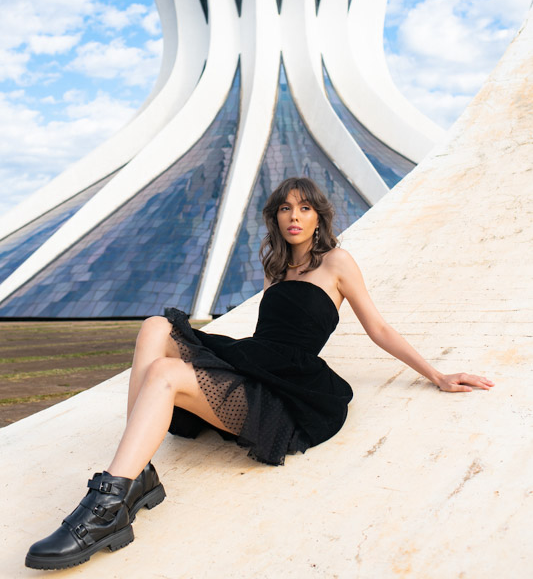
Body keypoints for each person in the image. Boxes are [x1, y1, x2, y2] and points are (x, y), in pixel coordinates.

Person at [25, 176, 493, 570]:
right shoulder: (275, 268)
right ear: (276, 218)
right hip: (255, 363)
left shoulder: (337, 263)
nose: (295, 215)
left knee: (165, 373)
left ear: (318, 218)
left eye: (305, 208)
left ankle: (108, 506)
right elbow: (268, 333)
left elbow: (379, 327)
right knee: (155, 326)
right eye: (286, 208)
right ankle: (136, 471)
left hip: (288, 390)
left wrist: (436, 374)